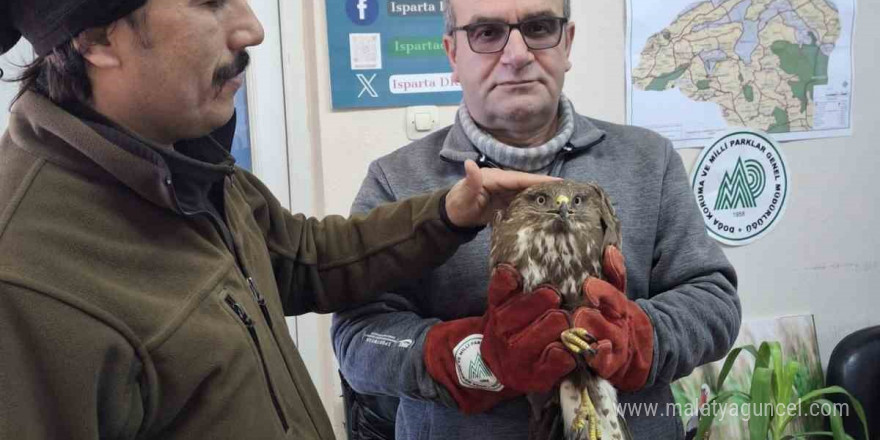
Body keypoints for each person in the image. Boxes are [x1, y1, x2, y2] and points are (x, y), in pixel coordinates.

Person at [0, 0, 558, 438]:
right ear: (97, 38)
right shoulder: (25, 279)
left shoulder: (188, 167)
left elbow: (305, 259)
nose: (251, 28)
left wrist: (449, 212)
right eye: (210, 1)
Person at [332, 0, 742, 438]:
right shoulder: (396, 180)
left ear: (566, 42)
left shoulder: (649, 159)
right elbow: (359, 340)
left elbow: (713, 302)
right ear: (453, 54)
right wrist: (472, 357)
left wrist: (640, 338)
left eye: (540, 27)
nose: (518, 54)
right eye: (487, 33)